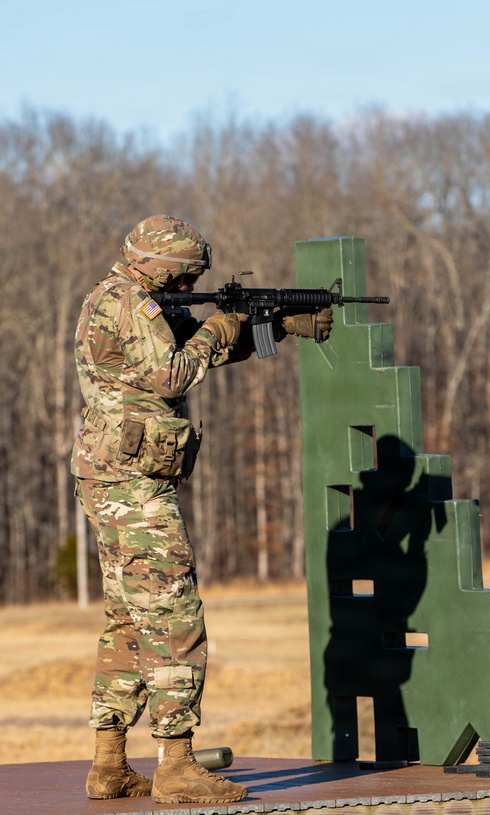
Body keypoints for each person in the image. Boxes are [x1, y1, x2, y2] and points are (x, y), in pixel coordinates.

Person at [71, 214, 331, 804]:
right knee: (174, 615)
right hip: (131, 485)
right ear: (162, 269)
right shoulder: (129, 306)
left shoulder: (129, 299)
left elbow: (194, 341)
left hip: (119, 476)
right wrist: (219, 327)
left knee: (129, 619)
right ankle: (177, 765)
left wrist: (272, 325)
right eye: (184, 281)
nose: (188, 291)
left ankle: (109, 763)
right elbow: (174, 370)